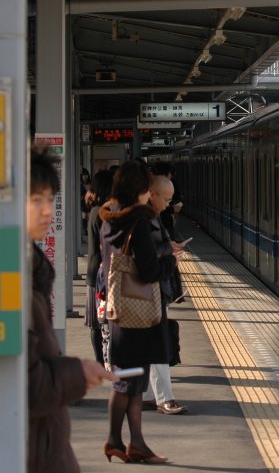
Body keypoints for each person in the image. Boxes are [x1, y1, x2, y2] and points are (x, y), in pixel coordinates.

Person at [27, 146, 116, 473]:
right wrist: (77, 374)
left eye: (50, 199)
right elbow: (24, 384)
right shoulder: (12, 279)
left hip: (42, 447)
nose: (47, 211)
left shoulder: (27, 271)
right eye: (36, 200)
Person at [98, 160, 176, 463]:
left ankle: (135, 443)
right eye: (146, 189)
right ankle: (114, 440)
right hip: (140, 313)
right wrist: (170, 262)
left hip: (121, 310)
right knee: (127, 383)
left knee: (132, 382)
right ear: (138, 190)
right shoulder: (139, 222)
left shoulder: (109, 219)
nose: (148, 195)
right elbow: (149, 270)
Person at [141, 174, 188, 415]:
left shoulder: (152, 216)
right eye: (166, 199)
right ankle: (164, 398)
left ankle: (147, 395)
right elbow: (146, 257)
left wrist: (168, 249)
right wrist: (170, 256)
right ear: (152, 194)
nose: (169, 204)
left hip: (150, 290)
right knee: (157, 344)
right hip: (148, 290)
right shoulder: (142, 219)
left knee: (148, 344)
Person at [84, 169, 114, 364]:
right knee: (99, 322)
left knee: (97, 322)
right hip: (100, 276)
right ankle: (101, 363)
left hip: (95, 273)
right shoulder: (101, 212)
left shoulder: (95, 210)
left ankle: (101, 362)